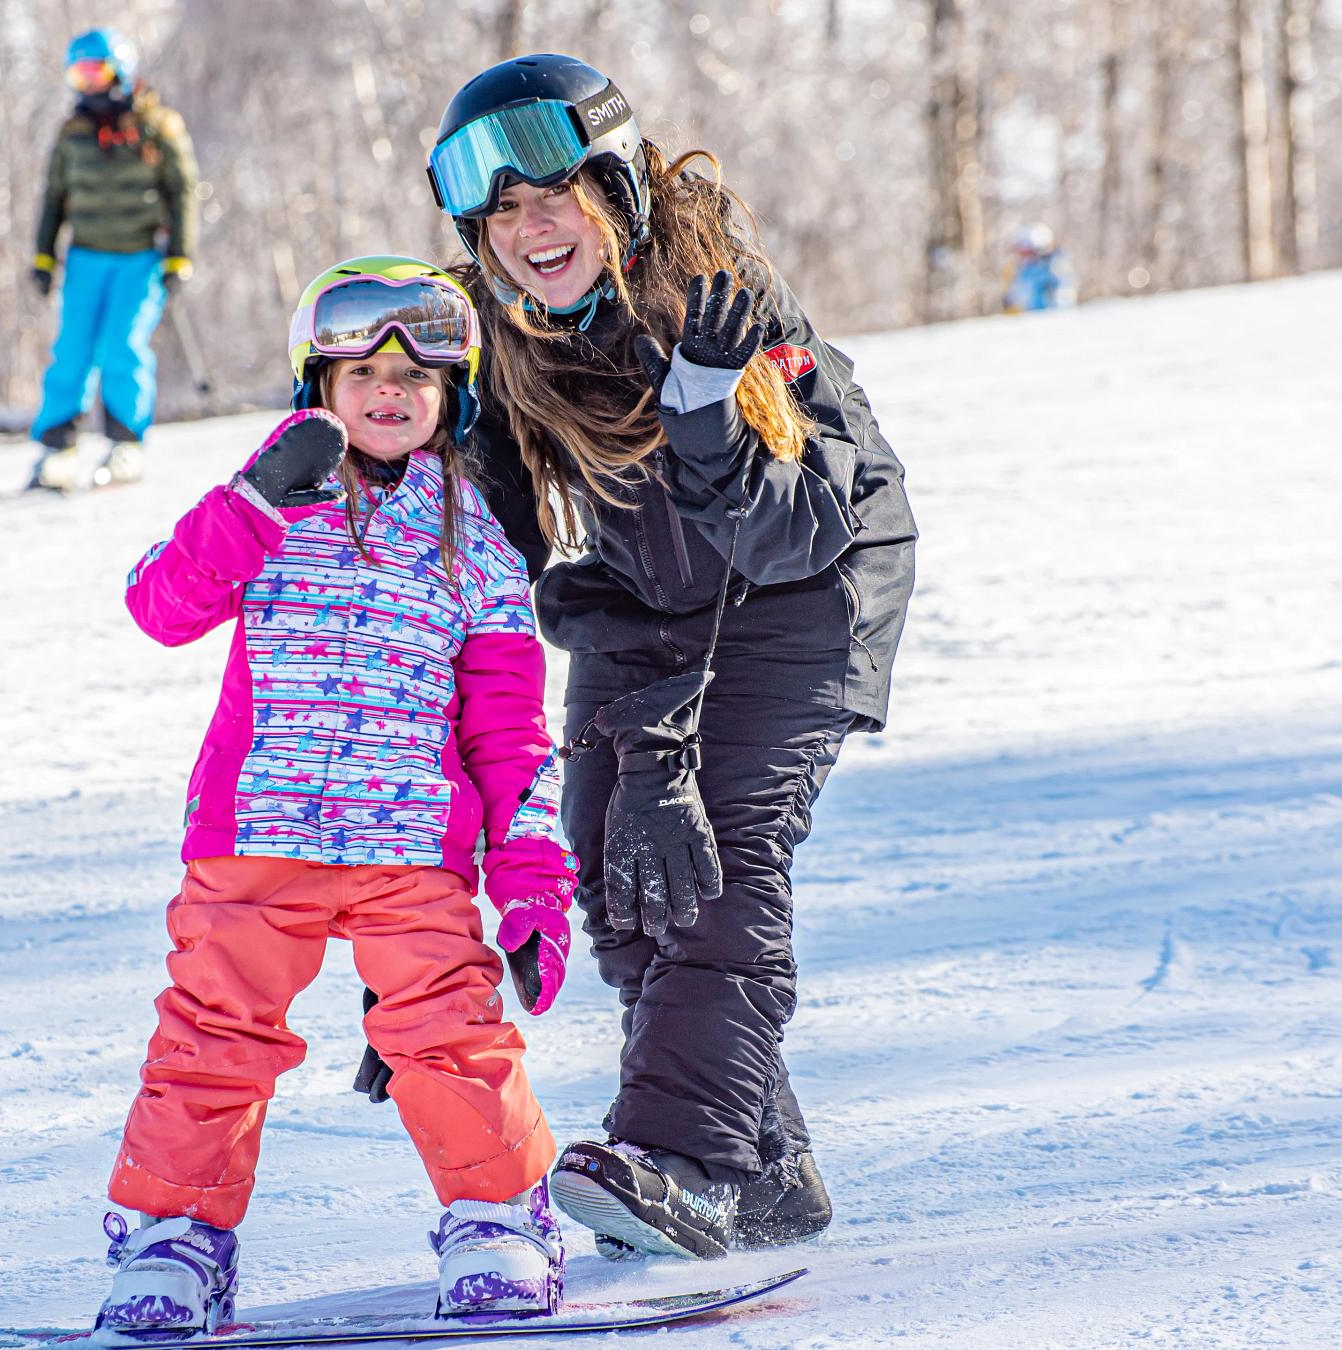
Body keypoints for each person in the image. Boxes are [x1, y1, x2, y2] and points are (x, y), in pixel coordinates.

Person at [423, 54, 918, 1262]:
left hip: (809, 585)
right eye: (503, 214)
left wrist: (704, 401)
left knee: (722, 857)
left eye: (556, 199)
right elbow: (502, 551)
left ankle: (683, 1156)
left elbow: (797, 528)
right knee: (622, 876)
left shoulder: (717, 295)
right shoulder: (499, 337)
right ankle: (764, 1173)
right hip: (651, 596)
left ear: (617, 193)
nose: (532, 231)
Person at [96, 257, 578, 1337]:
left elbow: (510, 736)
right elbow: (159, 606)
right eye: (360, 367)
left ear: (451, 394)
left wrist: (535, 885)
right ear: (319, 381)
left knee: (448, 1032)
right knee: (212, 1036)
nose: (388, 389)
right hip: (257, 837)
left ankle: (499, 1215)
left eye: (416, 372)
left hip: (412, 849)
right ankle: (174, 1237)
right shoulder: (264, 499)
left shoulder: (480, 548)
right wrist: (254, 502)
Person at [23, 28, 198, 492]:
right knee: (72, 350)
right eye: (78, 75)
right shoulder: (72, 133)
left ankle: (126, 445)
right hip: (85, 258)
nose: (89, 84)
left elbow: (183, 192)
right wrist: (43, 255)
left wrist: (180, 256)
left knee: (123, 348)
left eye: (95, 72)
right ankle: (58, 448)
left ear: (120, 69)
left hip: (139, 260)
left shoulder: (158, 126)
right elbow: (54, 196)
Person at [1002, 222, 1077, 313]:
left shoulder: (1055, 268)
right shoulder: (1021, 272)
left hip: (1048, 320)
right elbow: (1016, 300)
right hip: (1029, 321)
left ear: (1040, 251)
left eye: (1027, 253)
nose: (1023, 258)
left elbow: (1065, 296)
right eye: (1021, 253)